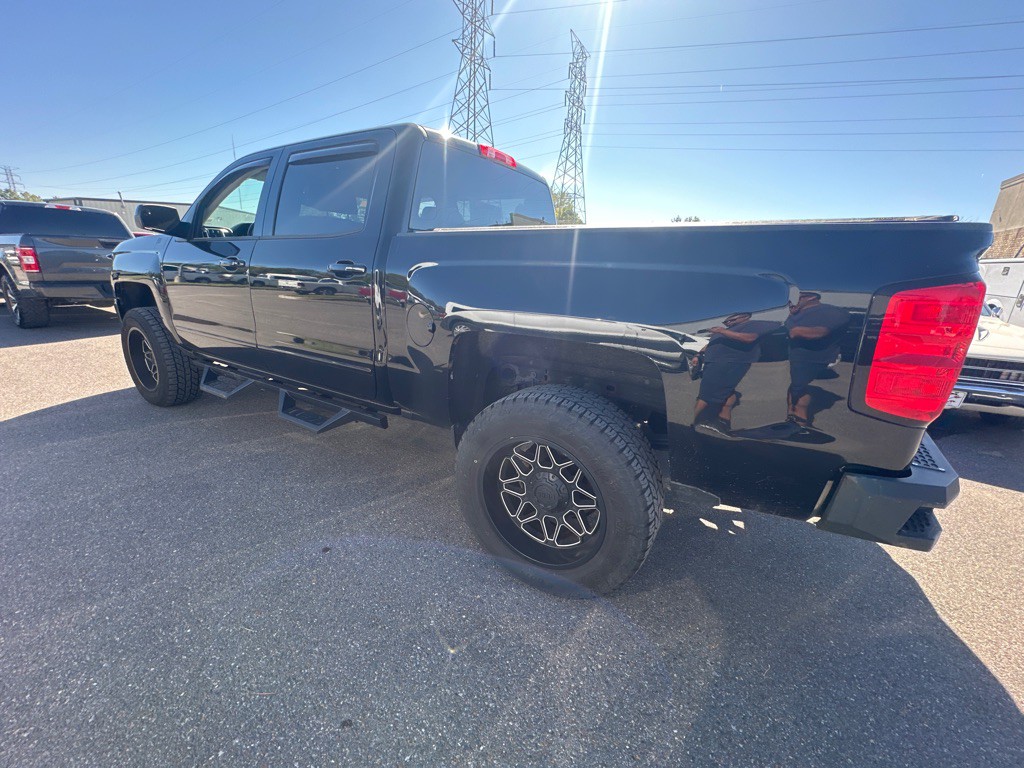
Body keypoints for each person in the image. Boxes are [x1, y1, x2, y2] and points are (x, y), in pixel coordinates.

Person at [693, 312, 780, 434]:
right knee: (728, 393)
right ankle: (722, 424)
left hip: (728, 363)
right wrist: (698, 354)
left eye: (731, 320)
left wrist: (722, 331)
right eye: (726, 322)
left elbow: (749, 338)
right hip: (714, 363)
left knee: (705, 396)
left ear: (746, 317)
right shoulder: (727, 331)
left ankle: (695, 426)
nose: (728, 323)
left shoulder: (752, 324)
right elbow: (710, 344)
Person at [784, 292, 850, 428]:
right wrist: (791, 314)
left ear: (811, 297)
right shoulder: (794, 314)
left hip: (819, 359)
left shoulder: (832, 311)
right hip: (797, 358)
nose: (791, 302)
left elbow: (819, 332)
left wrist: (796, 330)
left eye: (796, 298)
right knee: (796, 386)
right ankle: (791, 415)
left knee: (801, 388)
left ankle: (801, 423)